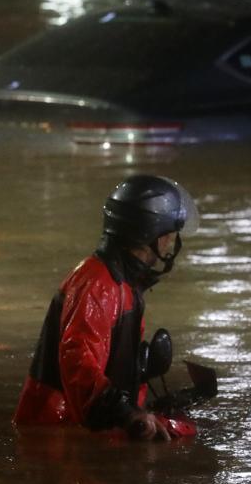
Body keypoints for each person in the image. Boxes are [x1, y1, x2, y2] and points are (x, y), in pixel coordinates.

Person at [12, 174, 199, 441]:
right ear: (149, 235)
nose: (170, 243)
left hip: (83, 429)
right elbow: (78, 361)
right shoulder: (98, 285)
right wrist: (127, 414)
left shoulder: (123, 283)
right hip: (58, 432)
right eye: (168, 235)